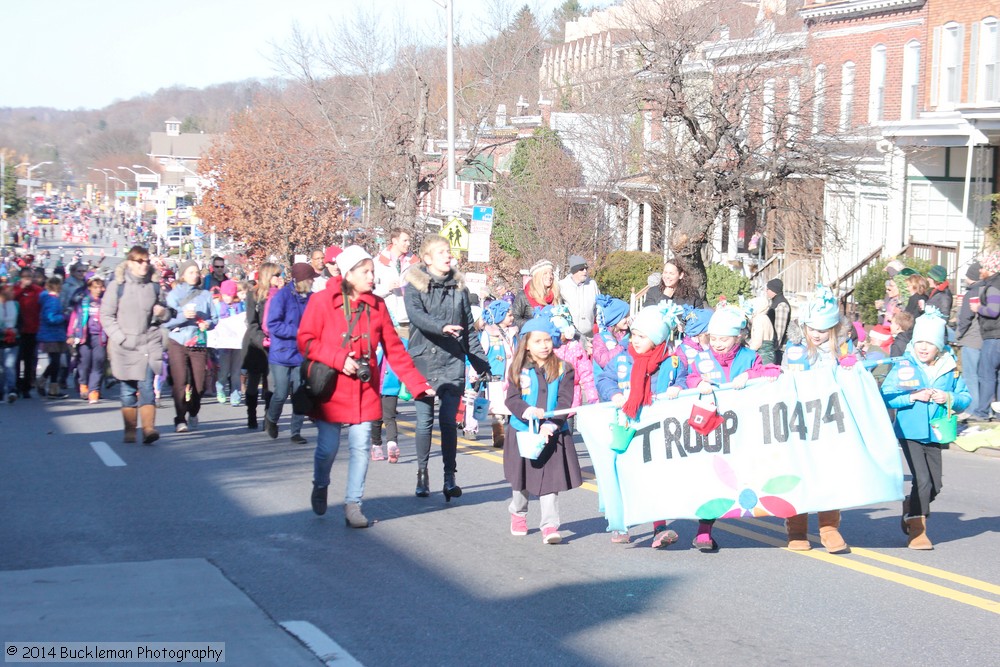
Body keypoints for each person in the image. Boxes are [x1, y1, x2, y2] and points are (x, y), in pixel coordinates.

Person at [297, 246, 433, 528]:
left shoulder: (378, 306)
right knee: (327, 449)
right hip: (330, 389)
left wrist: (419, 386)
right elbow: (306, 341)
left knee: (361, 447)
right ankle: (320, 483)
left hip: (363, 390)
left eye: (372, 270)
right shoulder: (322, 301)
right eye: (365, 271)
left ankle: (353, 505)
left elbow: (395, 351)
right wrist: (337, 359)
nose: (372, 276)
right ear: (348, 275)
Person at [403, 234, 491, 500]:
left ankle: (450, 477)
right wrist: (441, 328)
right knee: (424, 421)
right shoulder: (414, 287)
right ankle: (422, 474)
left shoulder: (459, 289)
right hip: (423, 361)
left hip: (452, 362)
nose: (448, 255)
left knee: (448, 422)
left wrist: (482, 363)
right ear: (427, 259)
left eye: (449, 251)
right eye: (441, 251)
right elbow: (416, 317)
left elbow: (468, 331)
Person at [596, 302, 687, 546]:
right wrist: (613, 393)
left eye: (641, 336)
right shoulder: (623, 360)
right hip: (628, 427)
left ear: (657, 339)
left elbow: (685, 381)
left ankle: (660, 528)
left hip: (658, 430)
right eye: (633, 334)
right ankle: (621, 525)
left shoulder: (672, 362)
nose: (634, 340)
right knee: (627, 476)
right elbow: (604, 378)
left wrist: (679, 388)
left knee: (654, 477)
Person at [883, 307, 970, 550]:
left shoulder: (950, 368)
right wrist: (912, 397)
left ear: (939, 346)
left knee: (935, 485)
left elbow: (965, 397)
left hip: (937, 431)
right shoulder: (904, 365)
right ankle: (917, 529)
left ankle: (912, 506)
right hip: (909, 430)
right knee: (921, 479)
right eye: (919, 341)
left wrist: (948, 397)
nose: (923, 347)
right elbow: (887, 395)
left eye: (929, 343)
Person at [686, 304, 771, 551]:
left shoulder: (749, 357)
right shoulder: (701, 359)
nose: (718, 343)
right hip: (712, 429)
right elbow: (688, 379)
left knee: (745, 476)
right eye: (713, 338)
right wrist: (697, 382)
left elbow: (769, 373)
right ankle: (704, 531)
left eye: (724, 338)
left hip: (744, 429)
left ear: (738, 336)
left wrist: (750, 377)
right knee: (710, 479)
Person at [780, 286, 855, 554]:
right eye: (812, 328)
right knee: (800, 473)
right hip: (800, 421)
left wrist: (851, 370)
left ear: (834, 329)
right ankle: (797, 528)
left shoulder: (844, 348)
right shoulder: (795, 348)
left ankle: (829, 527)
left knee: (829, 474)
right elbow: (784, 380)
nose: (817, 334)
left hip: (831, 421)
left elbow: (855, 379)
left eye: (823, 330)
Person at [504, 312, 582, 544]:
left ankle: (550, 526)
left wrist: (552, 424)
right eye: (538, 341)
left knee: (550, 481)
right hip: (522, 431)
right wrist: (526, 411)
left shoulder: (563, 368)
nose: (545, 345)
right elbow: (512, 398)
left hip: (551, 432)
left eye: (548, 340)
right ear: (526, 344)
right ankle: (518, 512)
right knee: (521, 479)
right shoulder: (518, 368)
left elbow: (565, 401)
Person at [101, 245, 168, 444]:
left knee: (147, 385)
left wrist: (162, 313)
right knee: (128, 389)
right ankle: (130, 429)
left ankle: (148, 429)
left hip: (148, 343)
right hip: (125, 345)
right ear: (130, 263)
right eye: (140, 261)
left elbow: (167, 311)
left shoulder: (154, 285)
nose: (144, 265)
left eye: (147, 261)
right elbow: (106, 315)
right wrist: (120, 337)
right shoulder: (117, 286)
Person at [163, 259, 219, 433]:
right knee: (179, 382)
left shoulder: (205, 295)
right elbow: (166, 321)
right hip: (178, 341)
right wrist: (183, 317)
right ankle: (180, 419)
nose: (194, 275)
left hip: (197, 341)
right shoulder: (174, 295)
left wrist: (207, 324)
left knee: (199, 383)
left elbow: (214, 318)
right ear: (183, 275)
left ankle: (193, 411)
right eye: (190, 272)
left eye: (196, 272)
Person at [264, 262, 315, 443]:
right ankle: (271, 419)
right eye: (310, 279)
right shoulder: (282, 297)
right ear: (301, 279)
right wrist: (297, 332)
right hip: (282, 352)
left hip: (302, 354)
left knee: (300, 393)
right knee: (281, 392)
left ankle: (295, 432)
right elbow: (273, 325)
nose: (312, 282)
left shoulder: (312, 298)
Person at [242, 263, 280, 430]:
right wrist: (261, 339)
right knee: (253, 381)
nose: (279, 278)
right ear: (267, 276)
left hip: (275, 344)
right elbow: (251, 322)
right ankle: (251, 414)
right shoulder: (254, 295)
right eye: (276, 275)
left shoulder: (281, 294)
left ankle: (268, 416)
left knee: (271, 382)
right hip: (255, 345)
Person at [479, 299, 518, 449]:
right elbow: (482, 353)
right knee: (497, 409)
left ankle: (513, 435)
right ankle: (499, 435)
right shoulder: (488, 334)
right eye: (509, 315)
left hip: (512, 375)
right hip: (496, 376)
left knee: (512, 405)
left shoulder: (513, 332)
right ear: (499, 315)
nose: (512, 318)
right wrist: (479, 372)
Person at [968, 250, 1000, 422]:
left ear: (991, 267)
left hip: (994, 336)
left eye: (983, 267)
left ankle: (981, 412)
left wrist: (978, 308)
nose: (980, 271)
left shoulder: (994, 285)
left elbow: (994, 311)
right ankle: (998, 414)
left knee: (987, 374)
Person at [67, 277, 107, 403]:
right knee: (84, 363)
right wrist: (70, 334)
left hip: (100, 335)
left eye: (100, 287)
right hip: (84, 336)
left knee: (98, 362)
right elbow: (74, 317)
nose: (98, 290)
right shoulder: (83, 300)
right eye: (95, 287)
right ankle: (83, 384)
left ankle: (94, 390)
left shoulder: (105, 301)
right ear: (89, 288)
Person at [954, 262, 984, 419]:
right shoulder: (990, 290)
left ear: (970, 277)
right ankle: (987, 409)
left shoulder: (971, 293)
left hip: (971, 340)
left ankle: (973, 410)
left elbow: (965, 318)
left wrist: (959, 335)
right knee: (985, 376)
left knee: (970, 376)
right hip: (986, 340)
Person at [214, 280, 246, 406]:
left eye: (230, 295)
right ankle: (220, 388)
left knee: (236, 371)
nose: (227, 298)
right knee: (224, 370)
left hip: (237, 342)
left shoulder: (241, 306)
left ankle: (235, 394)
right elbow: (214, 322)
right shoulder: (218, 306)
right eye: (225, 295)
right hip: (223, 343)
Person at [13, 267, 42, 398]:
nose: (28, 281)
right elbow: (10, 300)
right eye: (25, 278)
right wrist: (21, 288)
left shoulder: (38, 291)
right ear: (21, 278)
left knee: (30, 360)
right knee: (17, 360)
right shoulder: (15, 290)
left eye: (30, 278)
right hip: (18, 331)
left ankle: (27, 386)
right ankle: (16, 385)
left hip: (33, 330)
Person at [37, 276, 69, 399]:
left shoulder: (48, 298)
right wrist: (64, 316)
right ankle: (49, 387)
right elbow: (50, 318)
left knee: (56, 362)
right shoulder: (52, 300)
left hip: (54, 334)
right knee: (55, 362)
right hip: (51, 334)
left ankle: (49, 385)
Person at [557, 254, 600, 341]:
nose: (585, 271)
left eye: (586, 269)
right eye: (581, 269)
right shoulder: (562, 286)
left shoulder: (592, 284)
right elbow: (558, 310)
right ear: (574, 271)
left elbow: (599, 308)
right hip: (570, 337)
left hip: (589, 336)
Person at [512, 260, 561, 329]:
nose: (550, 276)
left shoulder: (556, 295)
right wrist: (535, 324)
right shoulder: (523, 296)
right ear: (537, 276)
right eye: (545, 273)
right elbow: (514, 319)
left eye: (551, 273)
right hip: (531, 336)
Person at [591, 295, 631, 374]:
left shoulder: (630, 334)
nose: (628, 319)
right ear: (615, 318)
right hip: (608, 379)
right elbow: (603, 361)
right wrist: (621, 347)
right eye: (625, 317)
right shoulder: (600, 338)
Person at [0, 284, 19, 403]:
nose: (12, 293)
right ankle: (1, 392)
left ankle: (12, 390)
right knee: (1, 368)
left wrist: (16, 330)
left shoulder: (16, 305)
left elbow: (21, 321)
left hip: (13, 340)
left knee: (10, 366)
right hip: (1, 339)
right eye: (9, 291)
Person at [766, 278, 791, 364]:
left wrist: (774, 348)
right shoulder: (775, 302)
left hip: (778, 350)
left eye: (768, 289)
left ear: (774, 290)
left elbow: (779, 330)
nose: (766, 291)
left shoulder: (781, 305)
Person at [747, 294, 776, 365]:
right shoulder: (765, 317)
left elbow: (757, 342)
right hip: (770, 355)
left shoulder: (758, 319)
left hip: (762, 357)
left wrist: (747, 353)